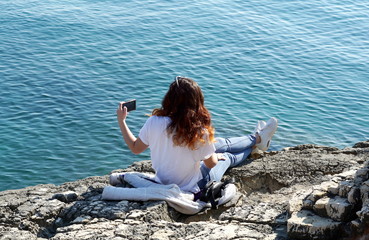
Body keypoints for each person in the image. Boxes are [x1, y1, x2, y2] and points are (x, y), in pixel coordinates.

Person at [116, 76, 278, 194]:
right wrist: (212, 156)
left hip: (163, 181)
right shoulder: (197, 130)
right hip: (194, 184)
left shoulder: (154, 122)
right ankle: (257, 142)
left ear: (169, 99)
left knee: (219, 143)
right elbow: (211, 163)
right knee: (227, 156)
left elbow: (135, 148)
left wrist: (122, 121)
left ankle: (257, 138)